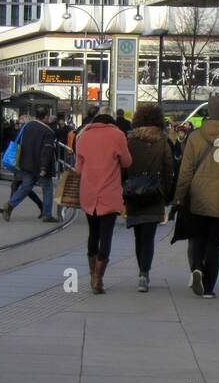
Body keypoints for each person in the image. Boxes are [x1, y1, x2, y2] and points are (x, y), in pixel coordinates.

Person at [172, 95, 219, 300]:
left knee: (197, 238)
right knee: (214, 243)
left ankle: (196, 267)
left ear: (209, 112)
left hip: (198, 197)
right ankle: (209, 286)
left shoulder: (194, 137)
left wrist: (179, 197)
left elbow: (185, 171)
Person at [75, 110, 132, 293]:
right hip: (109, 192)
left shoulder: (83, 136)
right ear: (112, 120)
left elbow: (78, 168)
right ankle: (99, 279)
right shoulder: (117, 135)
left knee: (93, 233)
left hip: (89, 192)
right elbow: (127, 162)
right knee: (106, 235)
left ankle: (92, 274)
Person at [124, 102, 175, 293]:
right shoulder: (163, 142)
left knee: (138, 235)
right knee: (149, 236)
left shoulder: (130, 141)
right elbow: (169, 168)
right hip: (155, 193)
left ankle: (141, 271)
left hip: (134, 194)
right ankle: (145, 272)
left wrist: (125, 187)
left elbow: (124, 167)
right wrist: (166, 192)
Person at [0, 105, 58, 222]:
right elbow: (46, 151)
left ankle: (9, 206)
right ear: (45, 117)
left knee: (26, 187)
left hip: (26, 163)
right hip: (40, 165)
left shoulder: (26, 126)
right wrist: (44, 168)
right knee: (47, 189)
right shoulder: (48, 131)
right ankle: (47, 214)